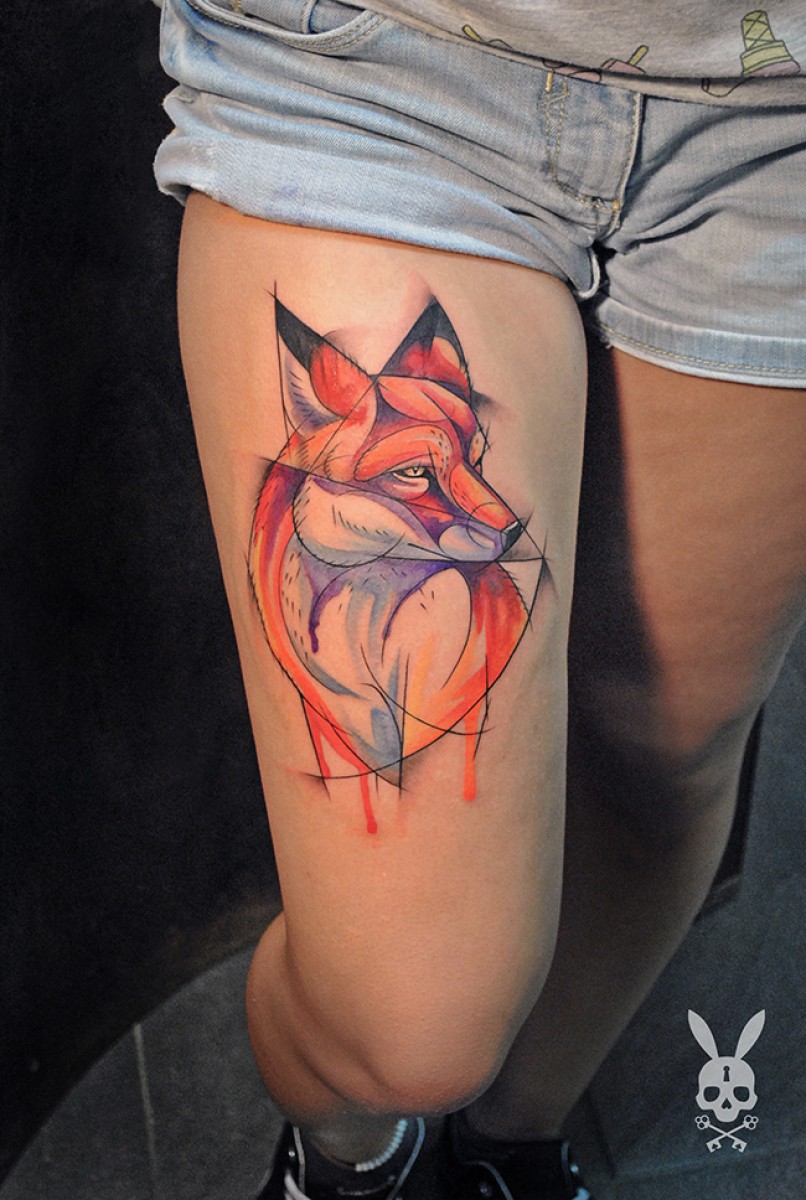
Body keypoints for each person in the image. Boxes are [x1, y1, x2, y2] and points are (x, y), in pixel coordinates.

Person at [153, 3, 806, 1197]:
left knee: (658, 754)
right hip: (384, 68)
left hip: (778, 127)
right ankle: (350, 1164)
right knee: (410, 1024)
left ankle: (509, 1147)